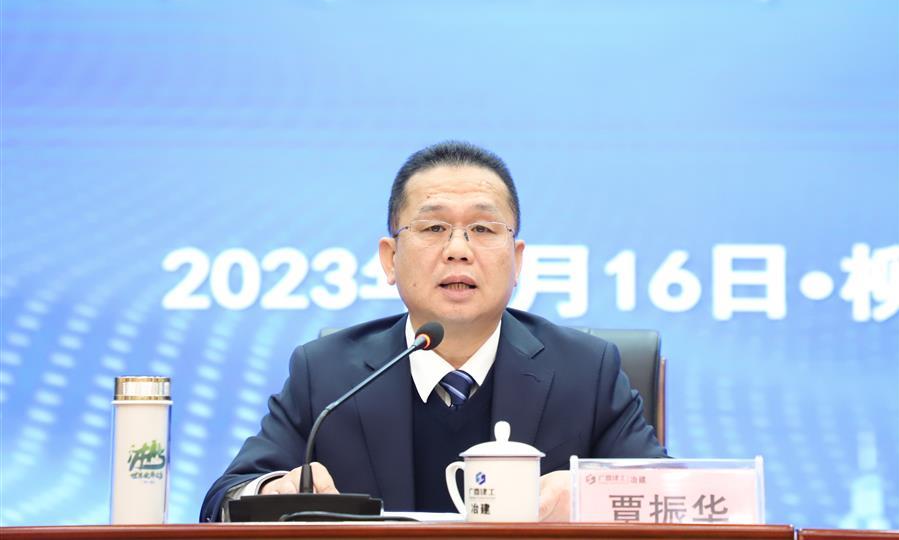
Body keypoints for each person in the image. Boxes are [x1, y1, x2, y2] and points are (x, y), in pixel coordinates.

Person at [200, 141, 666, 522]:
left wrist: (588, 493)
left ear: (517, 259)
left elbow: (674, 497)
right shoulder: (326, 375)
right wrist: (272, 491)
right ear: (390, 259)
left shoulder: (586, 372)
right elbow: (222, 499)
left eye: (483, 228)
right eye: (434, 227)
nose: (458, 249)